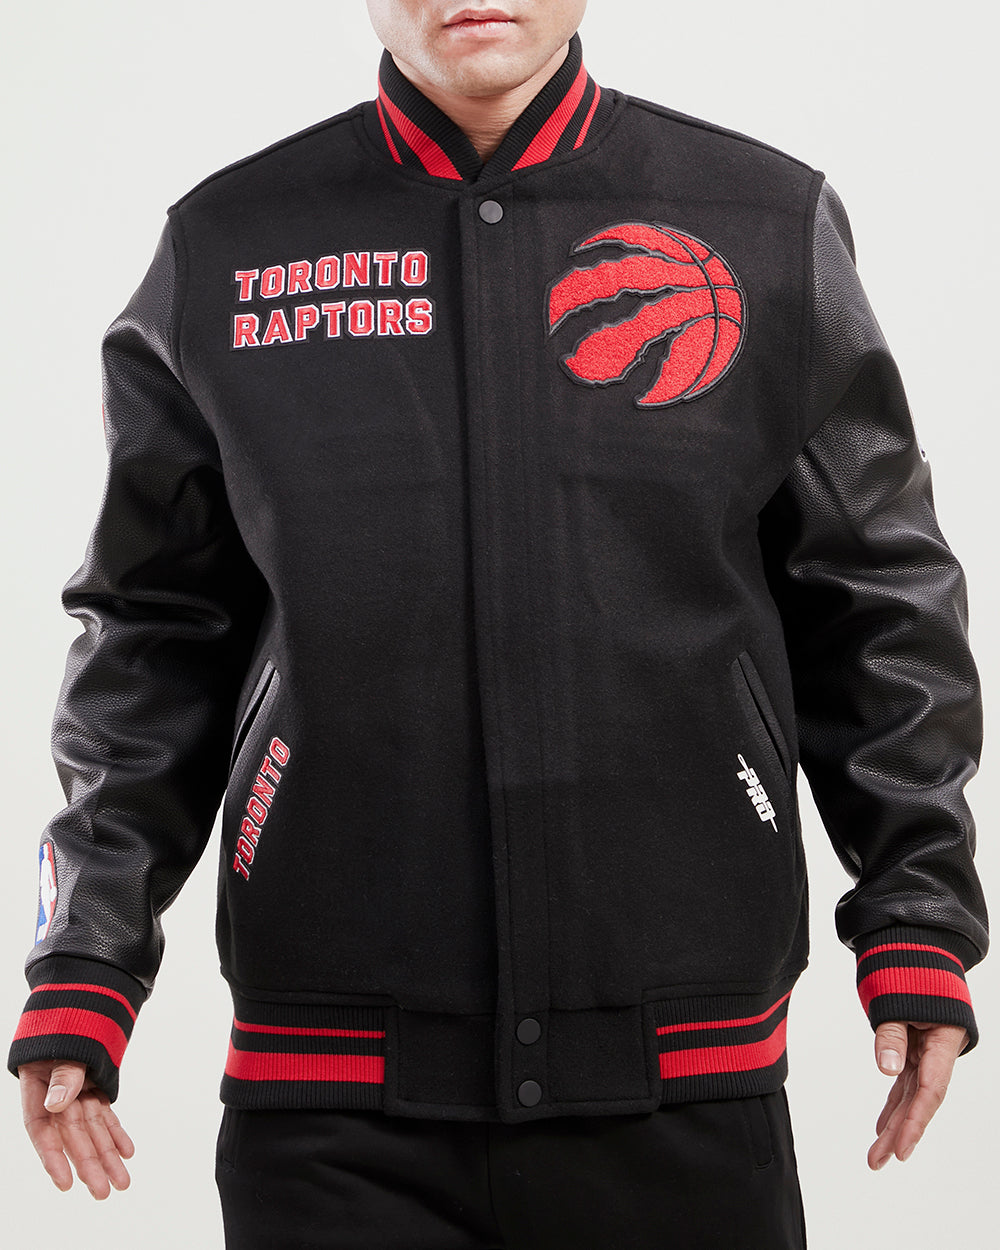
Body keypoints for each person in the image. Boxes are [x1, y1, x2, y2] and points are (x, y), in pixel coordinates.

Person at [8, 2, 989, 1246]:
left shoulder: (758, 224)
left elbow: (877, 596)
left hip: (682, 1078)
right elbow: (151, 632)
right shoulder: (231, 247)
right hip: (331, 1111)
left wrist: (915, 910)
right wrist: (87, 952)